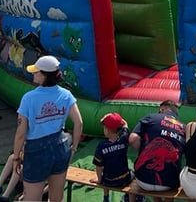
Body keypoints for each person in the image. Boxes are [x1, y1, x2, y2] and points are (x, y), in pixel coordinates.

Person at [13, 55, 83, 202]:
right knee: (56, 198)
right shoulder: (66, 95)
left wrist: (16, 157)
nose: (33, 73)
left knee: (32, 198)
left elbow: (21, 133)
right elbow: (79, 123)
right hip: (60, 147)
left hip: (36, 152)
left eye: (36, 71)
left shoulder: (28, 98)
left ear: (44, 75)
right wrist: (74, 148)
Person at [129, 100, 185, 201]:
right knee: (168, 173)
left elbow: (133, 139)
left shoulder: (151, 117)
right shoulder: (183, 127)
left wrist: (143, 151)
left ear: (162, 110)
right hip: (169, 183)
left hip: (143, 180)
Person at [91, 112, 136, 202]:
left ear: (107, 130)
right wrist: (117, 119)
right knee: (133, 177)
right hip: (125, 178)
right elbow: (125, 124)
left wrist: (99, 179)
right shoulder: (124, 138)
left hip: (109, 181)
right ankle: (130, 199)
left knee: (104, 173)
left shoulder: (102, 146)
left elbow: (98, 166)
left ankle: (106, 197)